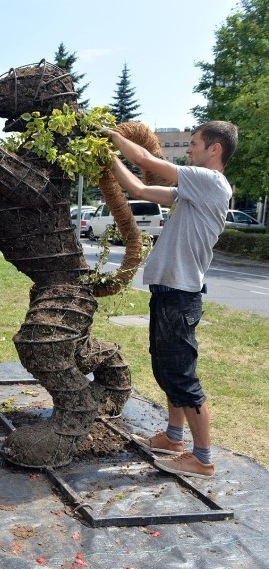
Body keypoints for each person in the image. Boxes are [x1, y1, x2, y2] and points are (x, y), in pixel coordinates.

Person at [104, 120, 238, 478]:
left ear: (215, 149)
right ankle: (174, 438)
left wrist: (112, 137)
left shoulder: (210, 181)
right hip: (169, 293)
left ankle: (202, 459)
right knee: (167, 369)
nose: (188, 150)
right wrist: (108, 158)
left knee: (182, 376)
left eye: (193, 144)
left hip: (180, 296)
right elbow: (139, 187)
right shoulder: (194, 190)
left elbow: (147, 159)